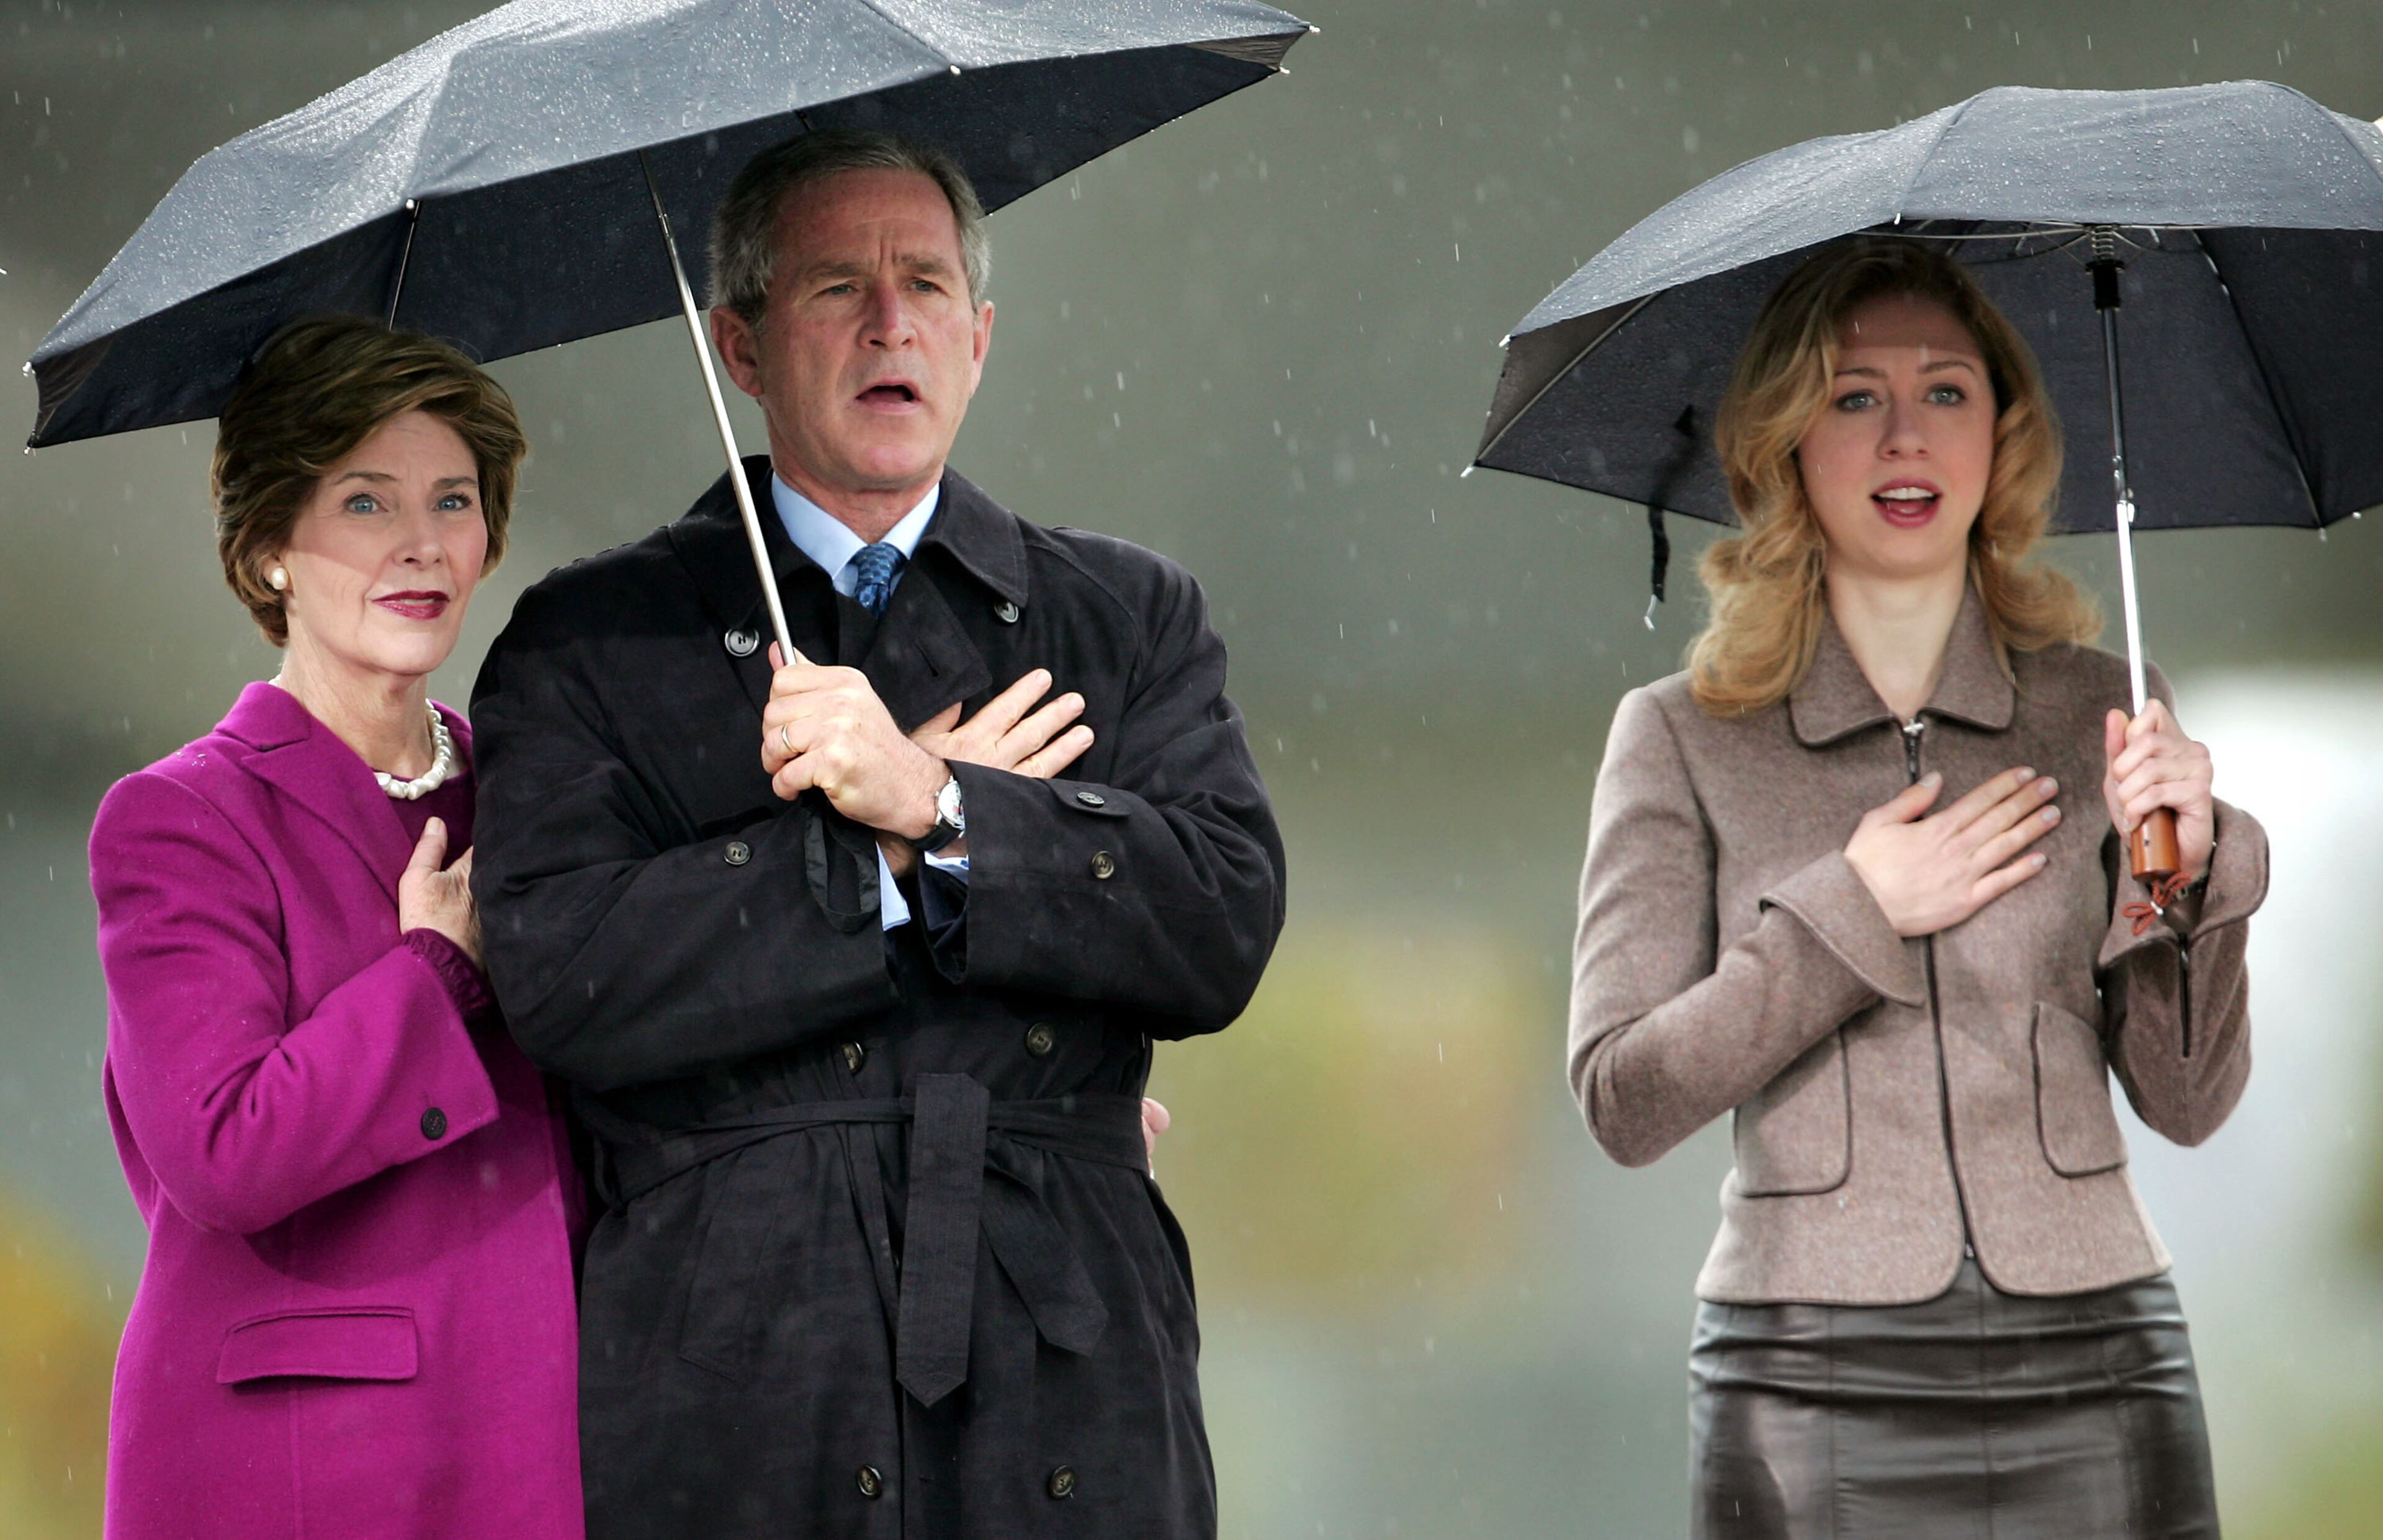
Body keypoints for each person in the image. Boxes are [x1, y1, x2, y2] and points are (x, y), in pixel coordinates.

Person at [468, 129, 1285, 1539]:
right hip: (734, 1373)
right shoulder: (592, 639)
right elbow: (564, 973)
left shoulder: (1127, 615)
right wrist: (875, 871)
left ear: (980, 334)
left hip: (1066, 1369)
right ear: (737, 341)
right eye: (837, 285)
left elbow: (1217, 915)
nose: (891, 320)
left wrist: (936, 802)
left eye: (924, 282)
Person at [1569, 240, 2264, 1539]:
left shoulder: (2103, 712)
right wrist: (1854, 911)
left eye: (1948, 391)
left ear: (2002, 434)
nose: (1907, 434)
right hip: (1808, 1372)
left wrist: (2196, 860)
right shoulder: (1681, 735)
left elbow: (2187, 1099)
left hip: (2098, 1347)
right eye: (1853, 395)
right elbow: (1624, 1094)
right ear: (1784, 442)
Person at [87, 316, 583, 1539]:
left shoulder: (549, 790)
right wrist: (434, 969)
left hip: (552, 1440)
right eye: (365, 502)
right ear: (266, 549)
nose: (421, 543)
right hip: (306, 1468)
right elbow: (224, 1147)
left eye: (453, 499)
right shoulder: (179, 818)